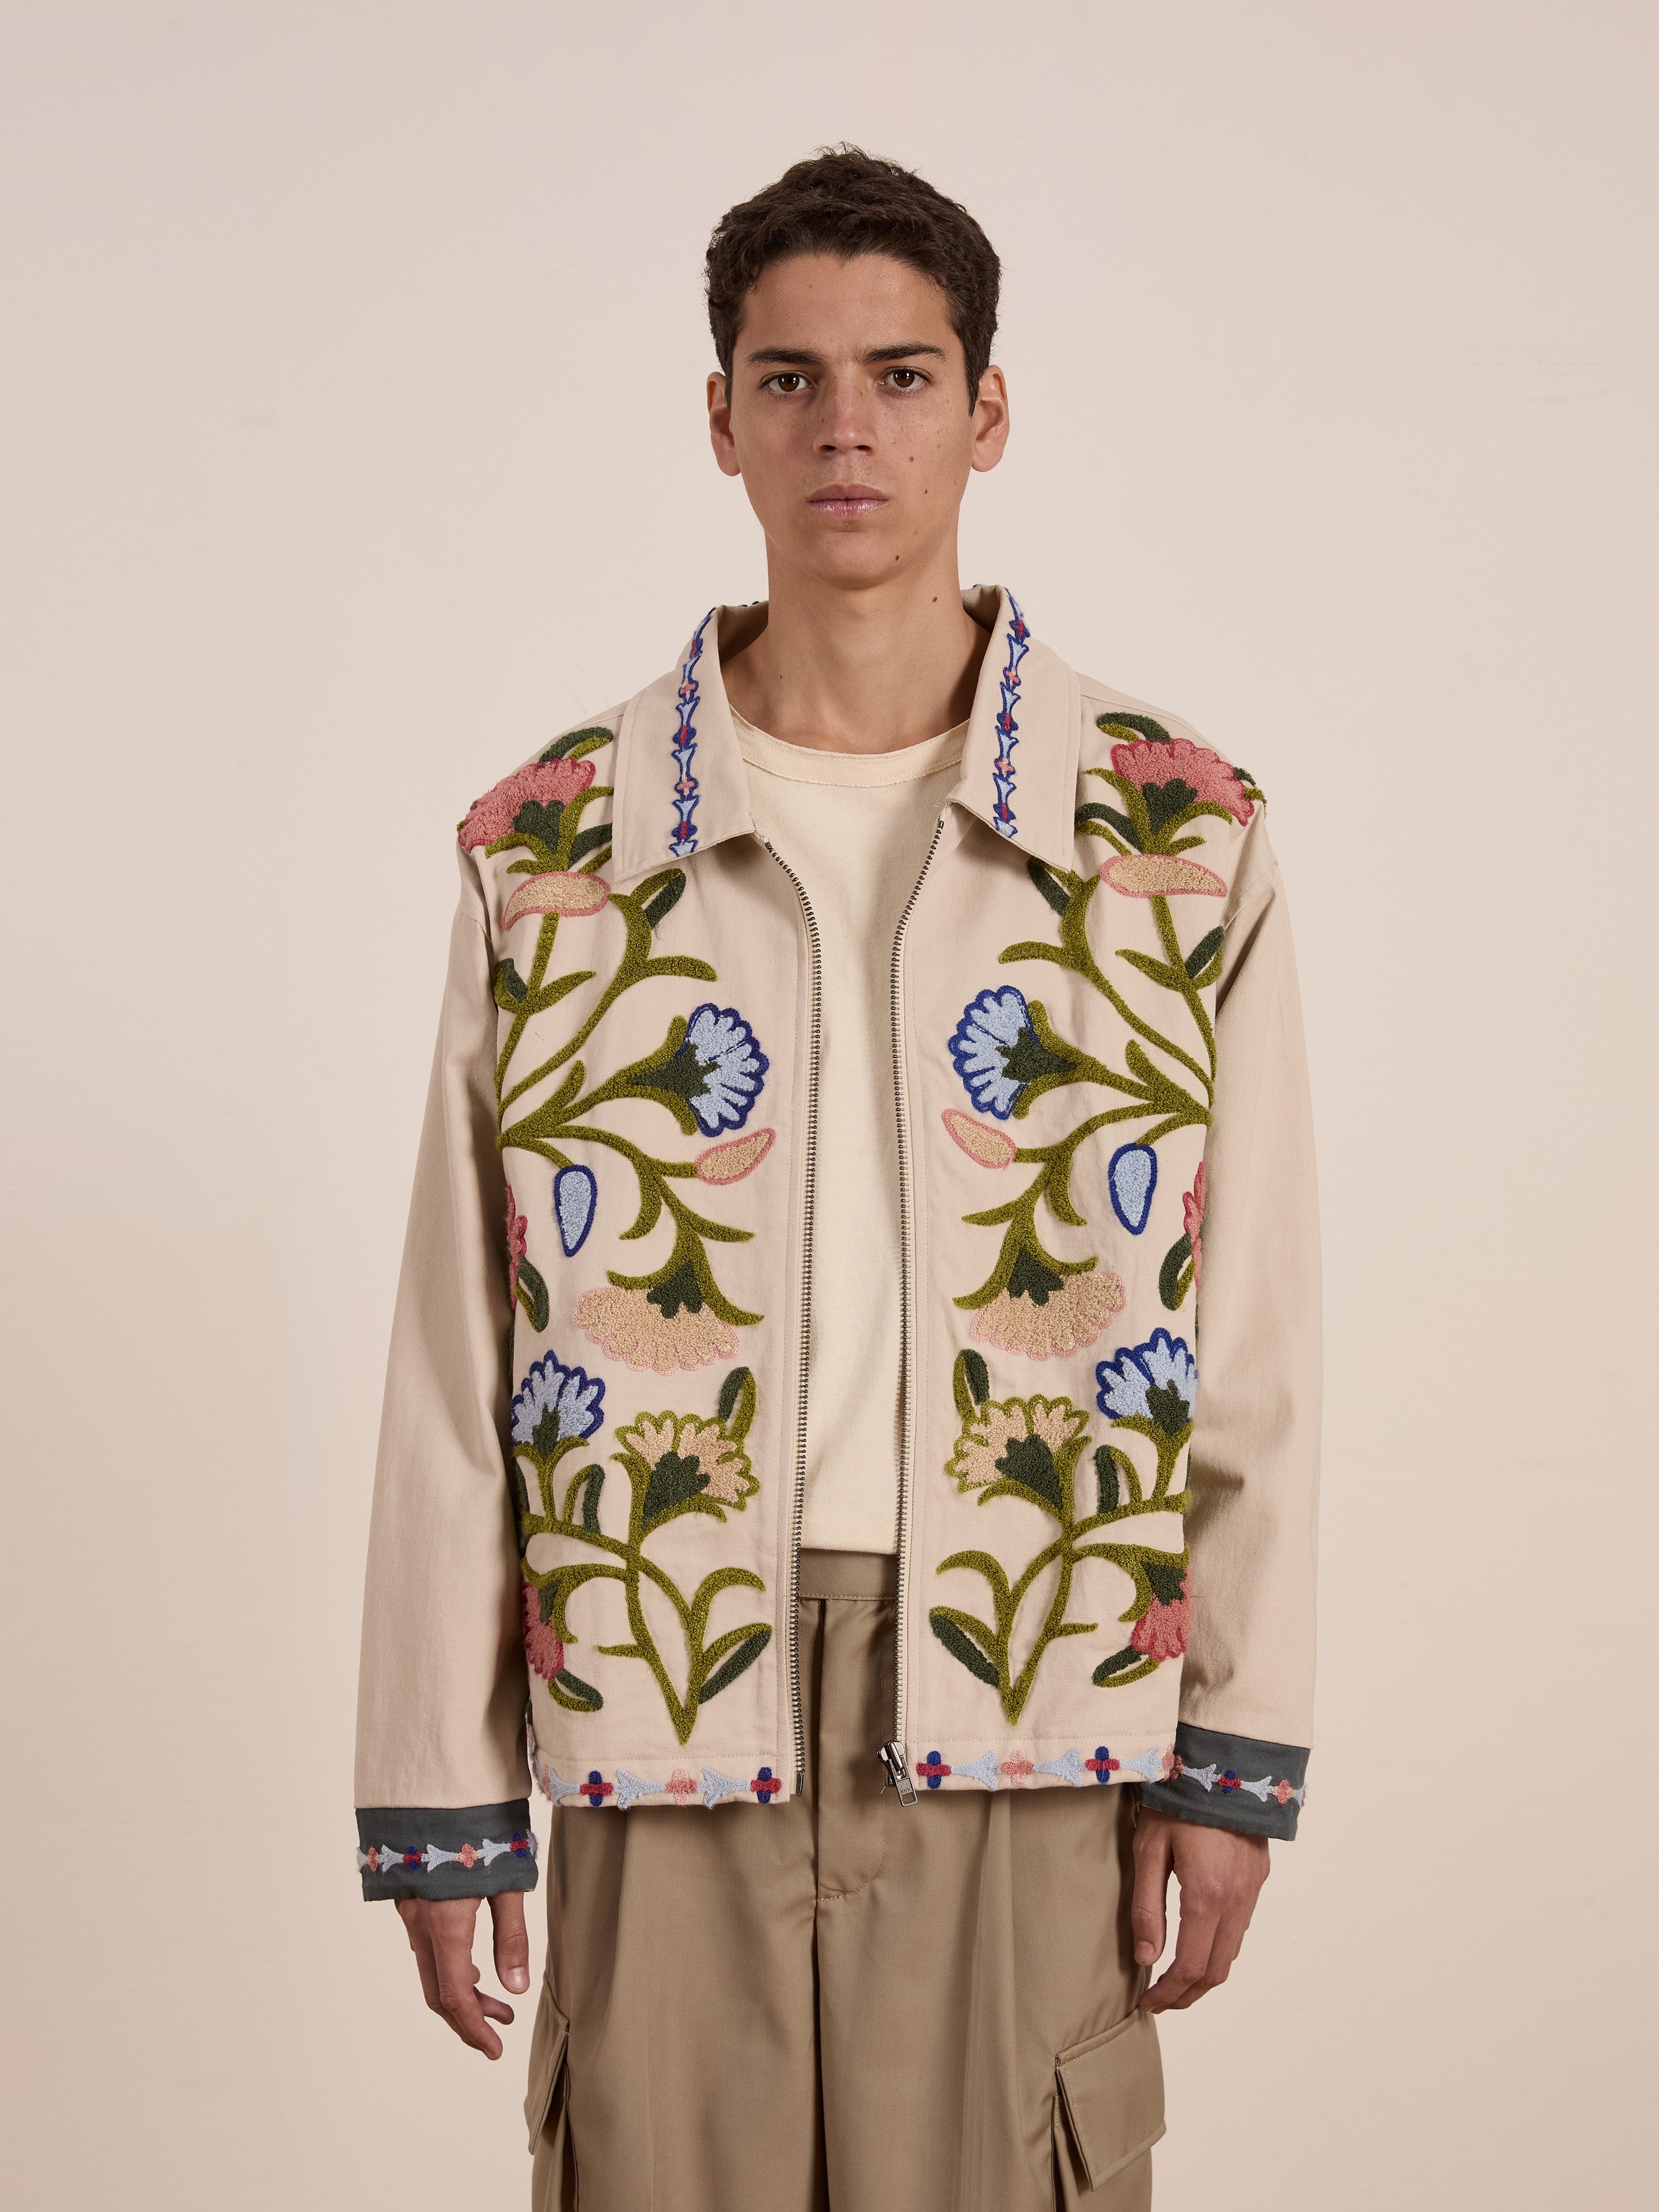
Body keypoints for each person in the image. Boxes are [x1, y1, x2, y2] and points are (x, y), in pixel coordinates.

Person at [353, 145, 1321, 2212]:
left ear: (988, 410)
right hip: (661, 1670)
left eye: (900, 373)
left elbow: (1250, 1341)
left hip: (1035, 1683)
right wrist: (443, 1798)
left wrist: (1231, 1749)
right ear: (720, 417)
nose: (845, 428)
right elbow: (461, 1354)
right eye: (789, 380)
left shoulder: (1174, 839)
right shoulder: (554, 850)